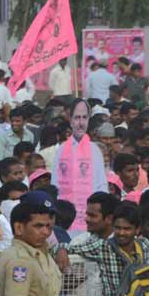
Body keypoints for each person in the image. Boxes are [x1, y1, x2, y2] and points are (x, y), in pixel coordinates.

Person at [51, 99, 109, 232]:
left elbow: (101, 185)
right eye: (77, 118)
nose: (81, 123)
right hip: (65, 219)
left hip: (90, 218)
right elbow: (55, 185)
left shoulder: (95, 150)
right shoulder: (61, 150)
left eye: (84, 117)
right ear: (70, 120)